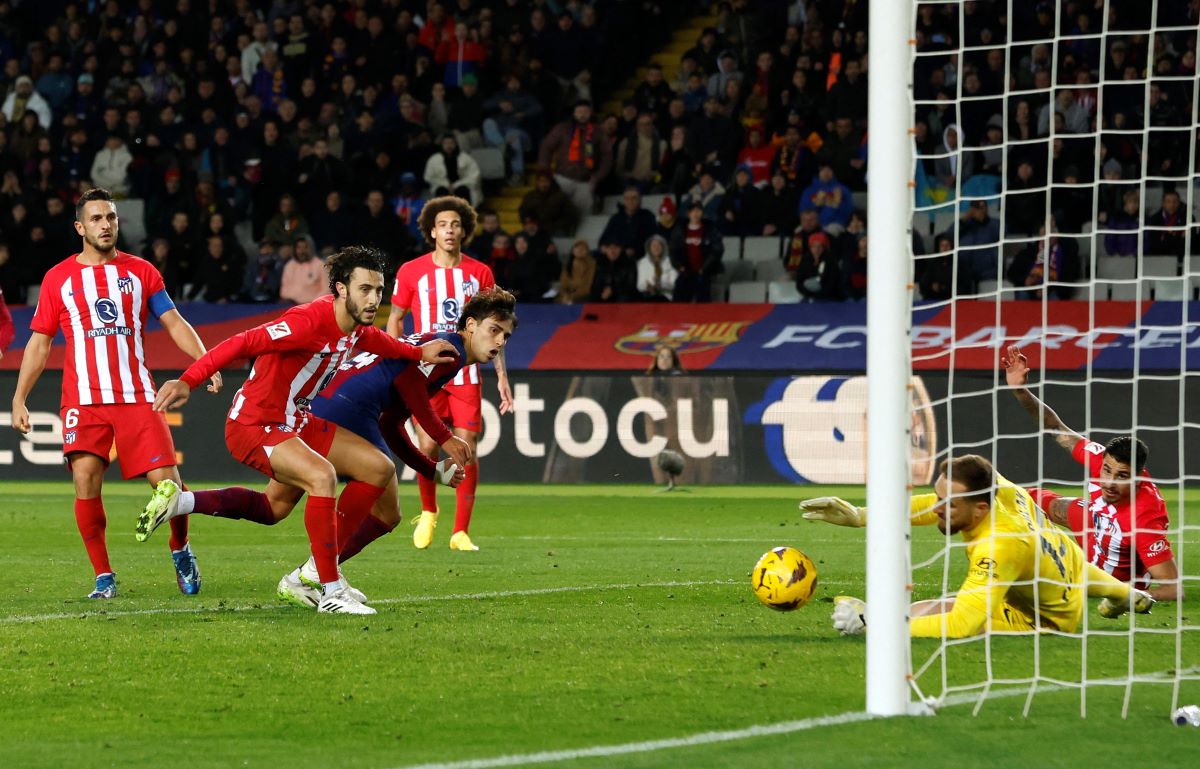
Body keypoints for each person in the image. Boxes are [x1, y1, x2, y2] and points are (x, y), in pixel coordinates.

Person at [148, 246, 457, 615]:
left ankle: (182, 502)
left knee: (316, 491)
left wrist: (418, 354)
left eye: (379, 289)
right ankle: (329, 589)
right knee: (322, 477)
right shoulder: (308, 321)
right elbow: (243, 342)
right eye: (365, 289)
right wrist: (188, 379)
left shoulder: (356, 328)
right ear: (341, 289)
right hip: (255, 423)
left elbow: (379, 342)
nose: (374, 298)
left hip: (296, 420)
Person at [9, 188, 222, 600]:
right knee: (85, 481)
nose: (105, 225)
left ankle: (180, 547)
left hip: (137, 396)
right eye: (96, 219)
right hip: (83, 401)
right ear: (79, 227)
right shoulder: (58, 279)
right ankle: (103, 575)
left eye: (110, 217)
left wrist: (206, 362)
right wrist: (20, 398)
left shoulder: (141, 272)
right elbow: (39, 344)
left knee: (170, 489)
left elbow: (174, 321)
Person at [273, 287, 518, 606]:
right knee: (378, 500)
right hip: (347, 408)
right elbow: (407, 381)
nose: (499, 341)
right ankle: (315, 575)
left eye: (506, 336)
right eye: (494, 330)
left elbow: (391, 423)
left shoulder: (446, 348)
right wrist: (444, 436)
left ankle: (188, 503)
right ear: (471, 325)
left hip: (339, 406)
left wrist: (431, 470)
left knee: (273, 507)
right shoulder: (450, 350)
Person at [801, 454, 1154, 639]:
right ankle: (1125, 594)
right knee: (934, 605)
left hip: (1044, 622)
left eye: (949, 505)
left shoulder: (999, 545)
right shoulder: (997, 487)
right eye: (940, 497)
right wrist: (863, 515)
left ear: (980, 509)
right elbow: (934, 500)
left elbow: (963, 626)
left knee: (949, 614)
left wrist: (877, 627)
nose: (937, 508)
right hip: (1064, 563)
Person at [1001, 345, 1181, 601]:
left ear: (1137, 478)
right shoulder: (1099, 458)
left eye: (1121, 476)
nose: (1108, 481)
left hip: (1115, 576)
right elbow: (1055, 427)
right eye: (1107, 470)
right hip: (1096, 521)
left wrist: (1128, 598)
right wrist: (1021, 391)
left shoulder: (1144, 519)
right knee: (1024, 498)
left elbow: (1175, 590)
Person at [387, 196, 515, 552]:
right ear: (432, 231)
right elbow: (395, 319)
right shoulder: (411, 271)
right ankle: (428, 511)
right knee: (426, 443)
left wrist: (502, 376)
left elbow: (495, 329)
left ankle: (460, 532)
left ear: (464, 231)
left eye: (456, 224)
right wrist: (397, 360)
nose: (449, 230)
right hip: (426, 369)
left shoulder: (480, 273)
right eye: (443, 224)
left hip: (466, 372)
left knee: (466, 446)